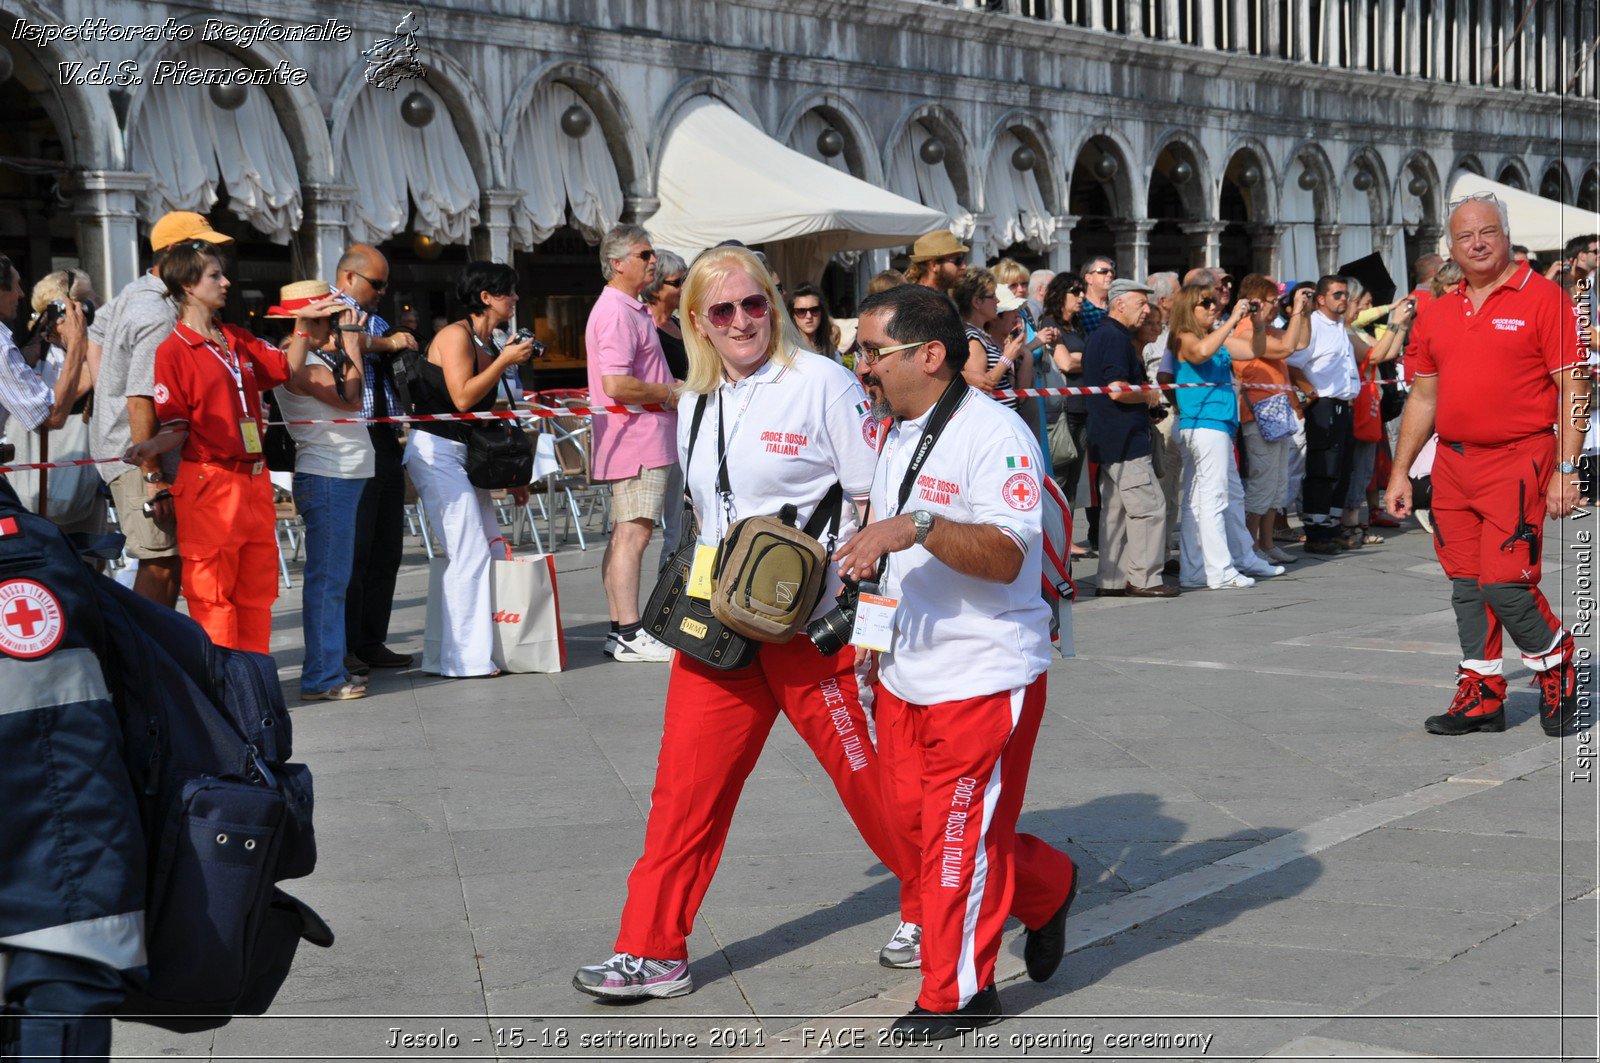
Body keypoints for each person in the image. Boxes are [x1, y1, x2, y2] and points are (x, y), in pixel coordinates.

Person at [572, 245, 917, 1000]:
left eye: (754, 304)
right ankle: (651, 947)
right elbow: (704, 512)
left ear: (772, 304)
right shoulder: (696, 394)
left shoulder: (823, 383)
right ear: (696, 319)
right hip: (721, 626)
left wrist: (873, 629)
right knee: (682, 791)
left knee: (869, 781)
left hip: (811, 624)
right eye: (722, 310)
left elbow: (879, 506)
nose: (742, 321)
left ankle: (939, 899)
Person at [835, 283, 1077, 1040]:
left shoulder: (996, 435)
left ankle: (959, 993)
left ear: (929, 355)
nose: (863, 366)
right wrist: (869, 641)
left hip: (983, 674)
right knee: (918, 830)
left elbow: (1008, 554)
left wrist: (921, 525)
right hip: (907, 670)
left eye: (875, 351)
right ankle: (1046, 887)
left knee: (954, 841)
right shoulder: (897, 430)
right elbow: (888, 552)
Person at [1386, 193, 1588, 738]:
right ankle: (1482, 693)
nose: (1477, 244)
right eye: (1465, 236)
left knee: (1506, 584)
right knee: (1467, 585)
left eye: (1488, 232)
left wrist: (1568, 472)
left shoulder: (1546, 299)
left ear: (1505, 235)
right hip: (1452, 464)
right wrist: (1401, 469)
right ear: (1450, 246)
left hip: (1518, 458)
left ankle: (1559, 666)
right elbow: (1423, 397)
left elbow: (1574, 387)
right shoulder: (1439, 310)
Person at [125, 243, 326, 653]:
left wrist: (303, 326)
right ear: (187, 285)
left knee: (256, 594)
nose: (226, 282)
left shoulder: (236, 338)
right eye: (215, 275)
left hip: (253, 481)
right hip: (209, 484)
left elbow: (286, 368)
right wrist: (146, 449)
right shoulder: (172, 351)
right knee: (213, 597)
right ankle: (230, 692)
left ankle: (256, 685)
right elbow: (176, 426)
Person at [90, 213, 231, 608]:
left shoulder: (140, 292)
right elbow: (141, 399)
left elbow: (95, 331)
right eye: (201, 248)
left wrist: (105, 392)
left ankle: (153, 659)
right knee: (161, 563)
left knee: (168, 561)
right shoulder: (158, 313)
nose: (211, 257)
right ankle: (144, 664)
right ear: (173, 254)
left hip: (130, 447)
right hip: (139, 456)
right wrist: (153, 477)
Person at [405, 262, 537, 677]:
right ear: (485, 297)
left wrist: (513, 475)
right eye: (508, 292)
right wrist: (505, 361)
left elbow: (492, 410)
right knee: (469, 552)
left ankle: (459, 651)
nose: (515, 299)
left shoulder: (490, 340)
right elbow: (462, 398)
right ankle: (463, 659)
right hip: (437, 451)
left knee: (491, 546)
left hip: (468, 452)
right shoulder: (456, 336)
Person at [268, 280, 372, 701]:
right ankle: (322, 677)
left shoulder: (311, 359)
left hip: (339, 475)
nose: (335, 325)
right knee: (328, 580)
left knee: (334, 578)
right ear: (307, 324)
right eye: (328, 318)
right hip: (328, 476)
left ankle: (327, 669)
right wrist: (353, 346)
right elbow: (352, 400)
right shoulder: (301, 365)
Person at [585, 224, 680, 663]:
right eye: (644, 255)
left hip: (638, 435)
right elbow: (617, 383)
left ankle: (620, 629)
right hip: (635, 437)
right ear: (617, 263)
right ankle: (628, 630)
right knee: (633, 534)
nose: (652, 261)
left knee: (628, 533)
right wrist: (667, 392)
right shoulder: (618, 311)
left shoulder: (626, 307)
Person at [334, 244, 416, 675]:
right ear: (349, 277)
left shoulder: (377, 316)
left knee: (387, 546)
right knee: (356, 548)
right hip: (350, 437)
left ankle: (371, 638)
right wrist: (388, 341)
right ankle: (345, 643)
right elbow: (342, 340)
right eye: (376, 283)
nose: (382, 291)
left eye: (386, 284)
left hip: (384, 435)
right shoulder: (330, 307)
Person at [1169, 283, 1284, 589]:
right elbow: (1200, 353)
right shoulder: (1185, 336)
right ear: (1188, 307)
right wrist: (1233, 320)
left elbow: (1253, 350)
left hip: (1218, 425)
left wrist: (1258, 326)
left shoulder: (1214, 338)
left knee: (1219, 497)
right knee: (1213, 498)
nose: (1212, 307)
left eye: (1213, 302)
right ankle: (1220, 570)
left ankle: (1208, 567)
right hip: (1203, 424)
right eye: (1204, 303)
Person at [1292, 275, 1409, 555]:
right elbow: (1294, 363)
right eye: (1337, 295)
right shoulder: (1314, 325)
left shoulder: (1340, 328)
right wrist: (1311, 394)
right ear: (1321, 299)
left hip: (1345, 404)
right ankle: (1317, 531)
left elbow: (1373, 356)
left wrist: (1399, 322)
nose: (1343, 299)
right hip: (1324, 403)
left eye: (1345, 294)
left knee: (1342, 469)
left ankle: (1332, 527)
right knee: (1323, 468)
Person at [1081, 279, 1173, 597]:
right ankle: (1144, 578)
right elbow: (1118, 390)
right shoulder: (1114, 337)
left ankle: (1112, 579)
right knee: (1149, 508)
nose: (1146, 310)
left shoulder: (1106, 335)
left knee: (1116, 513)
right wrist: (1147, 395)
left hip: (1110, 439)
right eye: (1140, 304)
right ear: (1119, 304)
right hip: (1124, 438)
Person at [1232, 274, 1315, 565]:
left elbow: (1301, 341)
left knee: (1278, 483)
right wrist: (1295, 311)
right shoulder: (1244, 331)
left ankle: (1266, 542)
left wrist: (1302, 312)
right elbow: (1287, 348)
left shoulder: (1267, 328)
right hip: (1256, 413)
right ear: (1255, 302)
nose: (1276, 307)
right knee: (1262, 482)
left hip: (1278, 412)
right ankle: (1250, 545)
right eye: (1272, 302)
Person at [13, 271, 100, 538]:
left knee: (91, 562)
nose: (95, 307)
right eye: (87, 302)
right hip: (38, 491)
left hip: (85, 490)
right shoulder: (28, 355)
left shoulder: (92, 347)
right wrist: (78, 347)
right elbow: (51, 406)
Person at [955, 268, 1029, 412]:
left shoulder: (981, 335)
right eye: (992, 296)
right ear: (977, 302)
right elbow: (983, 386)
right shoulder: (972, 337)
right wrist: (1007, 357)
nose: (998, 301)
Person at [787, 282, 841, 361]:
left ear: (821, 312)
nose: (809, 316)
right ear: (793, 315)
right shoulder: (787, 350)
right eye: (801, 311)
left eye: (814, 310)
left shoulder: (831, 351)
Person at [1076, 255, 1116, 335]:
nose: (1110, 275)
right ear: (1088, 278)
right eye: (1103, 271)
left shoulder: (1117, 306)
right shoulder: (1078, 309)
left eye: (1112, 272)